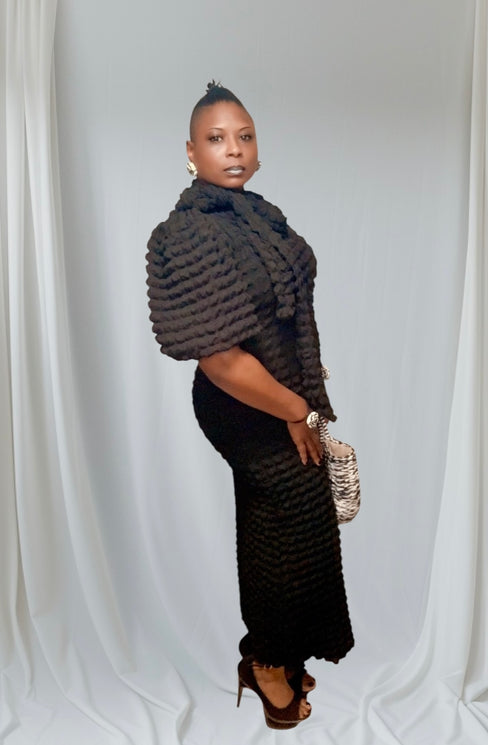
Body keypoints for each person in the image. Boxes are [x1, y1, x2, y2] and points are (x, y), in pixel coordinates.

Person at [146, 82, 354, 729]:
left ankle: (280, 650)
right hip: (243, 403)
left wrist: (304, 390)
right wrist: (296, 408)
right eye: (216, 139)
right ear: (190, 152)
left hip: (282, 393)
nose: (233, 149)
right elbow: (220, 358)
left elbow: (278, 318)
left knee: (293, 523)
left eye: (244, 136)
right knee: (282, 525)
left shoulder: (258, 216)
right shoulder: (187, 233)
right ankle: (266, 662)